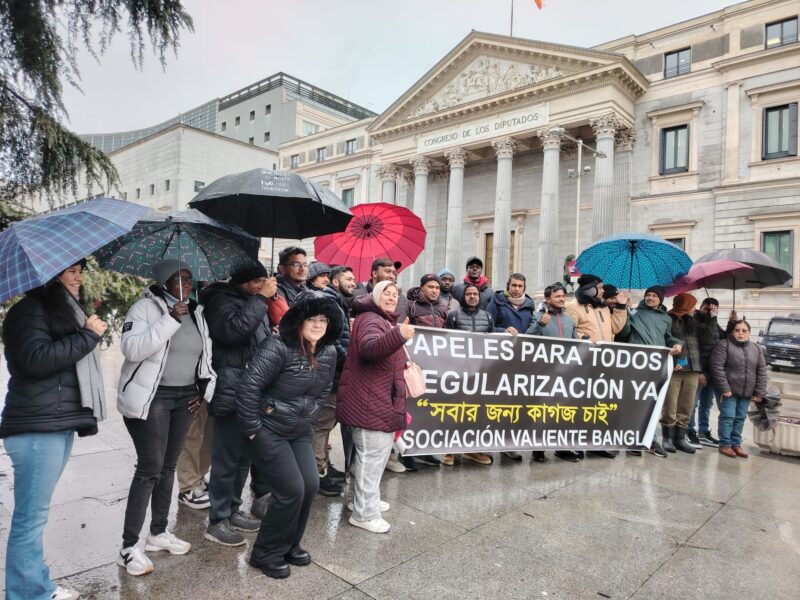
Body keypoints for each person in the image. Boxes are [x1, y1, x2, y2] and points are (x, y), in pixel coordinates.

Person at [2, 259, 107, 600]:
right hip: (35, 426)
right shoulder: (28, 312)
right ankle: (28, 593)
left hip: (56, 422)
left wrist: (85, 332)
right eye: (71, 271)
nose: (78, 277)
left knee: (36, 515)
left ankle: (38, 584)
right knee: (30, 519)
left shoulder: (58, 311)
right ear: (50, 276)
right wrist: (88, 336)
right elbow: (36, 360)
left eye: (80, 271)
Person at [116, 260, 215, 576]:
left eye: (189, 278)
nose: (185, 284)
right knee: (150, 469)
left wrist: (202, 391)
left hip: (184, 398)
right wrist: (169, 320)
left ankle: (158, 533)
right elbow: (132, 349)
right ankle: (129, 547)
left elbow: (205, 356)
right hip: (152, 399)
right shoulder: (144, 308)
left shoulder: (197, 312)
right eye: (178, 279)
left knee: (169, 467)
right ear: (162, 282)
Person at [237, 290, 340, 578]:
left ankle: (288, 545)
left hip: (299, 431)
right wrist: (253, 431)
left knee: (309, 486)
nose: (318, 325)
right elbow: (248, 388)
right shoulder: (277, 346)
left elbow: (321, 394)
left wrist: (307, 420)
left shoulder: (329, 352)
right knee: (290, 490)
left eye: (323, 319)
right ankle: (264, 553)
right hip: (268, 430)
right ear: (298, 320)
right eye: (312, 319)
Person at [201, 263, 279, 546]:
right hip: (231, 389)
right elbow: (235, 332)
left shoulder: (250, 301)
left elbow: (256, 340)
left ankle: (233, 509)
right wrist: (261, 300)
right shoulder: (220, 300)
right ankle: (217, 519)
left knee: (245, 455)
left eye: (263, 281)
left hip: (253, 390)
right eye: (257, 281)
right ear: (243, 281)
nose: (262, 285)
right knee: (226, 459)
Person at [337, 281, 414, 534]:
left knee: (372, 460)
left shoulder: (379, 319)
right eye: (386, 294)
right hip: (370, 403)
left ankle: (364, 501)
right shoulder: (371, 318)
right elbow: (370, 350)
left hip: (376, 401)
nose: (392, 298)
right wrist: (399, 335)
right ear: (375, 296)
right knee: (372, 460)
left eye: (395, 295)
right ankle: (364, 513)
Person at [615, 286, 683, 458]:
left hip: (656, 366)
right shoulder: (635, 312)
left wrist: (677, 344)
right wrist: (627, 314)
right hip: (635, 365)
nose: (650, 298)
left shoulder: (666, 318)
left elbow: (668, 336)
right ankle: (632, 440)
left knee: (652, 404)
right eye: (648, 295)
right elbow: (623, 333)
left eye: (654, 296)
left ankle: (650, 441)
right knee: (634, 403)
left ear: (660, 299)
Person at [565, 274, 628, 459]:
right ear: (590, 289)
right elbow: (570, 331)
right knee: (578, 405)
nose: (603, 291)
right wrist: (582, 339)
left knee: (598, 406)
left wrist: (621, 307)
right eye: (600, 288)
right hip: (582, 364)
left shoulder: (602, 308)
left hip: (603, 364)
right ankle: (570, 443)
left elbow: (615, 328)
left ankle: (596, 443)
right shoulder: (573, 307)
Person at [526, 283, 582, 463]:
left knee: (564, 410)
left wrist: (587, 343)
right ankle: (538, 449)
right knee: (543, 411)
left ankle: (563, 447)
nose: (561, 299)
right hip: (544, 373)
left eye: (563, 296)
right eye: (557, 296)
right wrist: (539, 325)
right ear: (548, 299)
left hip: (565, 373)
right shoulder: (538, 316)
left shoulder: (569, 320)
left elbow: (576, 344)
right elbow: (528, 339)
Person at [312, 266, 355, 496]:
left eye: (354, 278)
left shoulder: (339, 301)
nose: (353, 282)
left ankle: (324, 466)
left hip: (336, 374)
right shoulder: (330, 301)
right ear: (335, 282)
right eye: (348, 279)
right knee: (322, 426)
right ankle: (318, 473)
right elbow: (330, 338)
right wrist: (347, 358)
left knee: (327, 426)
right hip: (332, 374)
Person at [442, 282, 494, 467]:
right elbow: (445, 342)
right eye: (469, 294)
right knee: (456, 411)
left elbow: (493, 342)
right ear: (463, 296)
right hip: (459, 373)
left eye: (475, 294)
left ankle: (472, 449)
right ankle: (449, 451)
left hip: (480, 374)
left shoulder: (487, 316)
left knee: (476, 413)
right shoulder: (454, 316)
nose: (472, 296)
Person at [486, 273, 534, 460]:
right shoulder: (497, 301)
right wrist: (503, 331)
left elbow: (533, 329)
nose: (516, 289)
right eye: (513, 285)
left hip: (521, 360)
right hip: (500, 359)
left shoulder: (530, 306)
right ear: (508, 286)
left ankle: (508, 442)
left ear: (524, 288)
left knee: (516, 402)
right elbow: (488, 324)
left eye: (520, 286)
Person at [710, 320, 767, 459]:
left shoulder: (756, 348)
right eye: (737, 330)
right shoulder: (723, 345)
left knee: (740, 417)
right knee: (728, 417)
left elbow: (761, 371)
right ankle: (725, 445)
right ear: (732, 332)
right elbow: (717, 367)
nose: (740, 333)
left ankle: (736, 444)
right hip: (728, 390)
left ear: (749, 333)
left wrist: (759, 392)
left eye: (744, 330)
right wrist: (724, 388)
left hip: (747, 391)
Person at [691, 298, 736, 448]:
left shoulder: (714, 322)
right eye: (707, 308)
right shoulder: (694, 321)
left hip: (712, 372)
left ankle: (703, 432)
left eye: (713, 308)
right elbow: (705, 338)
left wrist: (732, 323)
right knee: (693, 404)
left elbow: (723, 339)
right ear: (701, 307)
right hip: (700, 371)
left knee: (706, 404)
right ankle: (689, 431)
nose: (709, 311)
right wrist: (701, 371)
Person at [662, 293, 702, 454]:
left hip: (693, 369)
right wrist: (675, 361)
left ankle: (680, 438)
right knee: (670, 405)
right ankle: (668, 438)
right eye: (692, 305)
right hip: (675, 369)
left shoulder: (694, 322)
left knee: (687, 405)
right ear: (685, 305)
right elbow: (666, 341)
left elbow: (706, 338)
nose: (694, 309)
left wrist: (712, 318)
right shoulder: (669, 319)